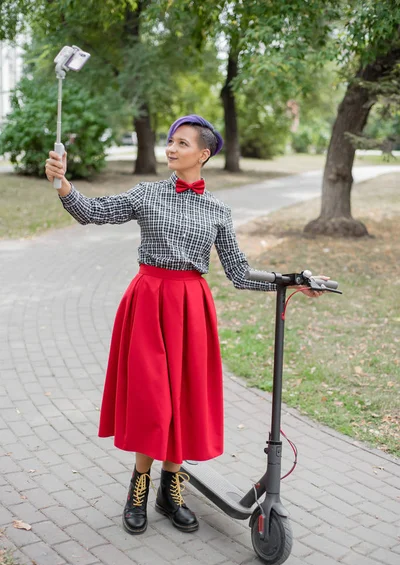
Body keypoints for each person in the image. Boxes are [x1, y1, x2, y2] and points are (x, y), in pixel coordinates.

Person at [45, 114, 324, 536]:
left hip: (191, 310)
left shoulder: (218, 209)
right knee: (151, 399)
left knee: (181, 401)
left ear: (204, 154)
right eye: (170, 141)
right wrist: (64, 184)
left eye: (182, 143)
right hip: (148, 303)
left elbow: (238, 272)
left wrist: (289, 282)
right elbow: (93, 212)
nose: (171, 148)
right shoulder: (147, 193)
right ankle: (138, 485)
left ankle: (170, 490)